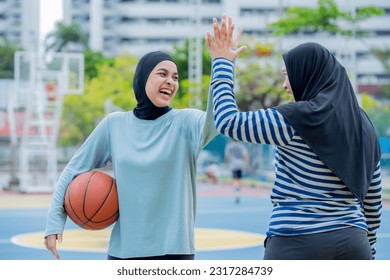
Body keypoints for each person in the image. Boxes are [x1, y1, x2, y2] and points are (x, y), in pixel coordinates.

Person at [205, 15, 382, 259]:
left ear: (306, 75)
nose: (285, 85)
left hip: (296, 241)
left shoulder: (293, 119)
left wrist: (222, 62)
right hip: (354, 242)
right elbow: (372, 202)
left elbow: (227, 121)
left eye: (288, 75)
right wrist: (367, 247)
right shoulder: (365, 127)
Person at [43, 50, 233, 260]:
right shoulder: (114, 125)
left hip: (174, 251)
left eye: (175, 77)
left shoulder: (186, 122)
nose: (170, 81)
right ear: (142, 78)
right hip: (125, 252)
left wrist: (222, 64)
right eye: (162, 74)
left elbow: (219, 119)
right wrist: (54, 221)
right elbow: (73, 169)